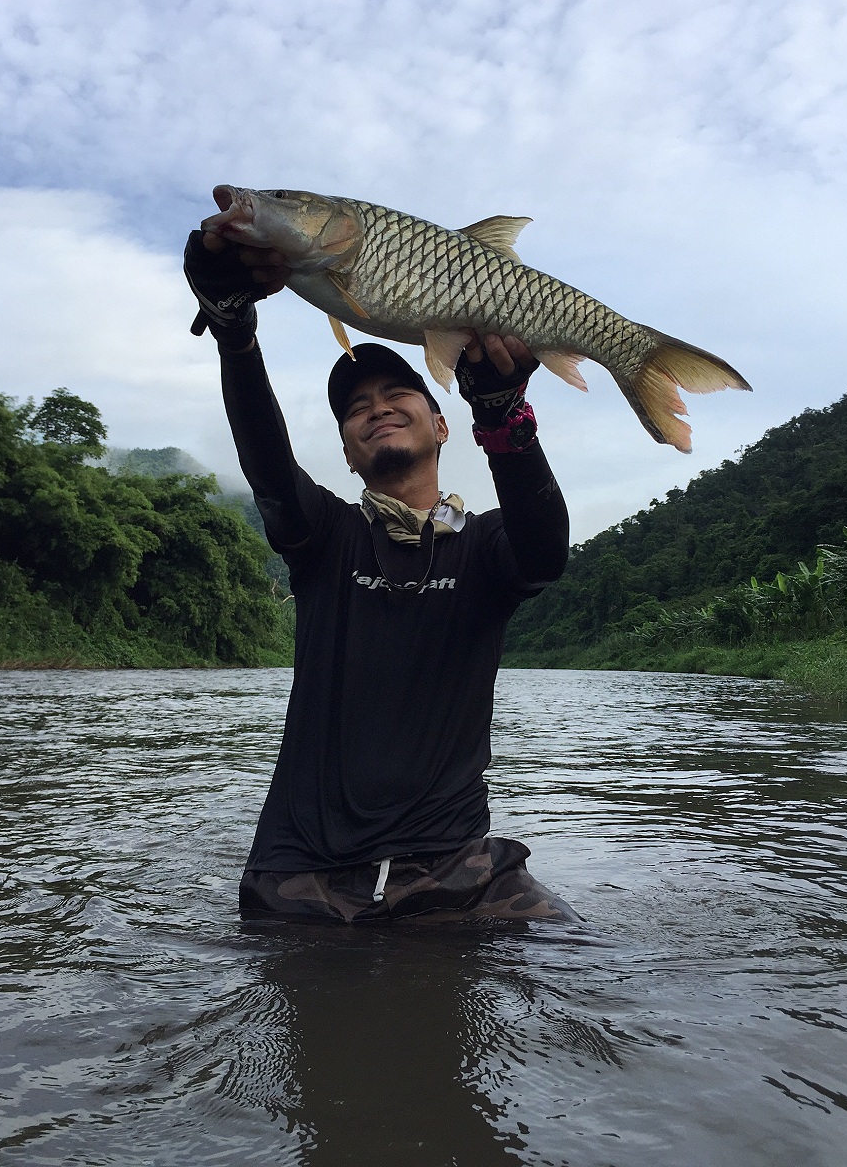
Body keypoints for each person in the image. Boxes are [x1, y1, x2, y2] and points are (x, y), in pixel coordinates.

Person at [184, 230, 582, 924]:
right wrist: (233, 331)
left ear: (441, 425)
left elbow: (545, 552)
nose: (376, 406)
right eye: (355, 407)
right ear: (345, 451)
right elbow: (268, 469)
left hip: (456, 866)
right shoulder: (325, 536)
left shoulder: (488, 545)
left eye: (398, 391)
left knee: (597, 976)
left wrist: (502, 416)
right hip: (303, 867)